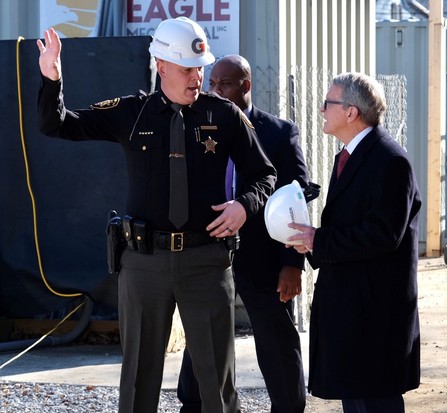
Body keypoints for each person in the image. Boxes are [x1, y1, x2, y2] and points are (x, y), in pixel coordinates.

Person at [36, 17, 276, 413]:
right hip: (145, 263)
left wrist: (244, 206)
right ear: (161, 66)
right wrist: (52, 80)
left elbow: (263, 173)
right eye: (187, 69)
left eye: (200, 69)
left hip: (207, 262)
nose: (197, 77)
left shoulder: (225, 115)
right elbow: (57, 125)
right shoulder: (131, 112)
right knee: (138, 382)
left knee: (218, 383)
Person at [177, 54, 309, 413]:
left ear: (246, 86)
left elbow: (295, 201)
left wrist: (292, 263)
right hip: (207, 253)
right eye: (213, 84)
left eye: (226, 84)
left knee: (275, 339)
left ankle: (288, 407)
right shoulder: (197, 127)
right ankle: (194, 404)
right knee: (202, 333)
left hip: (264, 258)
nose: (215, 91)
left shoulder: (279, 134)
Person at [287, 72, 422, 413]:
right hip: (353, 307)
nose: (321, 110)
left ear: (350, 112)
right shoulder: (349, 155)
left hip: (376, 312)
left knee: (376, 402)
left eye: (328, 103)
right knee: (356, 398)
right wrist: (313, 242)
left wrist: (321, 240)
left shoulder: (390, 160)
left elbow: (382, 235)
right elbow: (350, 226)